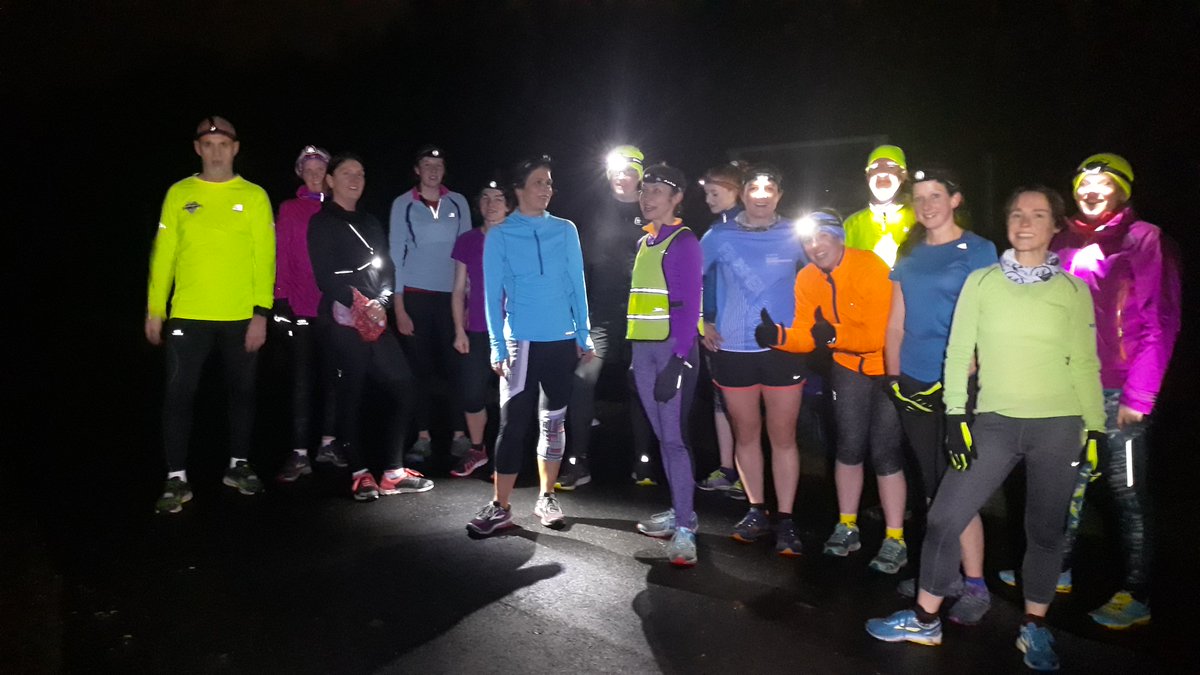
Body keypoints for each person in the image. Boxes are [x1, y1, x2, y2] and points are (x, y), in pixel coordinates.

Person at [867, 186, 1105, 673]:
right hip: (993, 421)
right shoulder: (983, 281)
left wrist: (1096, 428)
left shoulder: (1073, 290)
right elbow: (958, 353)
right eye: (1017, 213)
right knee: (944, 517)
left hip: (1058, 426)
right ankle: (925, 618)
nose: (1025, 222)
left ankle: (1035, 626)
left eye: (1038, 215)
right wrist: (956, 415)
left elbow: (1084, 362)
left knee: (1043, 531)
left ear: (1055, 226)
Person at [997, 154, 1180, 629]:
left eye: (1104, 182)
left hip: (1122, 391)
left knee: (1127, 491)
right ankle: (1055, 568)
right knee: (1068, 483)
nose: (1093, 190)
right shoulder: (1064, 240)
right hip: (1069, 386)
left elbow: (1160, 320)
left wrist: (1141, 396)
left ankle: (1137, 592)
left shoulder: (1145, 239)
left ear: (1123, 189)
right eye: (1085, 182)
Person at [755, 210, 908, 573]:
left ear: (839, 237)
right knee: (849, 448)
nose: (815, 246)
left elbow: (880, 332)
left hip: (886, 367)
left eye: (822, 237)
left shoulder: (870, 266)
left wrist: (835, 335)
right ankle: (847, 525)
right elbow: (809, 333)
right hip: (846, 368)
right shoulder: (807, 278)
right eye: (808, 240)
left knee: (885, 453)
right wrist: (779, 337)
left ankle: (895, 538)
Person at [885, 167, 997, 624]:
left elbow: (992, 316)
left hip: (956, 387)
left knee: (958, 489)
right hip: (912, 383)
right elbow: (896, 321)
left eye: (936, 195)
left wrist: (977, 365)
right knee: (932, 486)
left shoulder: (980, 249)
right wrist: (894, 381)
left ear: (955, 199)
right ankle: (941, 576)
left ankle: (975, 585)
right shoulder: (908, 250)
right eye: (920, 196)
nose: (927, 204)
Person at [147, 116, 274, 514]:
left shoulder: (254, 196)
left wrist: (261, 313)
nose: (216, 151)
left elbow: (263, 257)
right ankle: (175, 478)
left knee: (242, 392)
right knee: (179, 394)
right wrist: (155, 309)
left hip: (240, 316)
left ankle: (238, 465)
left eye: (224, 144)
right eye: (209, 144)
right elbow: (163, 254)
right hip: (188, 313)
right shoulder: (179, 193)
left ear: (235, 148)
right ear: (198, 148)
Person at [468, 157, 593, 535]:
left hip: (561, 340)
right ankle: (499, 505)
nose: (547, 189)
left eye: (550, 183)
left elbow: (577, 281)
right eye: (539, 182)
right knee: (513, 425)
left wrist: (582, 333)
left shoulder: (565, 229)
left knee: (554, 422)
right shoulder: (501, 235)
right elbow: (491, 297)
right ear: (518, 190)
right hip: (520, 341)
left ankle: (546, 495)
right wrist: (497, 346)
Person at [308, 153, 434, 501]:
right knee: (352, 393)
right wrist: (360, 303)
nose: (355, 178)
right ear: (330, 180)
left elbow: (388, 268)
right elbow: (325, 276)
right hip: (342, 318)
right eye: (347, 172)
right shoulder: (322, 222)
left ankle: (393, 471)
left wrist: (382, 302)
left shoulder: (370, 221)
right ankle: (360, 472)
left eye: (360, 173)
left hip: (377, 316)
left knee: (405, 386)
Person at [700, 166, 809, 556]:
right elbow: (687, 275)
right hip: (733, 349)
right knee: (746, 435)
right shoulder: (720, 234)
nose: (761, 194)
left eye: (770, 188)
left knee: (783, 437)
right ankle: (756, 509)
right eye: (753, 188)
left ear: (779, 195)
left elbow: (825, 272)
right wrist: (702, 321)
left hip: (783, 349)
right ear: (743, 194)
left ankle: (786, 519)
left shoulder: (796, 233)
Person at [557, 144, 658, 489]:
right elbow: (578, 264)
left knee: (638, 384)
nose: (622, 177)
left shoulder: (652, 211)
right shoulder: (595, 210)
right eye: (616, 170)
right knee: (582, 381)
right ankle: (577, 462)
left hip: (640, 315)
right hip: (599, 314)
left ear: (640, 176)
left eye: (630, 171)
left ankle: (643, 460)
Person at [626, 164, 704, 567]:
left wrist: (678, 361)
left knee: (674, 439)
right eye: (645, 190)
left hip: (672, 352)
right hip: (643, 351)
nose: (648, 196)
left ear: (676, 198)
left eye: (657, 190)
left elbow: (690, 304)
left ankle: (687, 528)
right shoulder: (645, 242)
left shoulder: (684, 241)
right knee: (663, 437)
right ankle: (679, 507)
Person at [389, 145, 473, 465]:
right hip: (416, 295)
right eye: (427, 164)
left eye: (438, 164)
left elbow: (465, 251)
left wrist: (466, 296)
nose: (433, 170)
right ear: (417, 169)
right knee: (420, 370)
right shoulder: (402, 204)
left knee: (456, 367)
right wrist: (398, 306)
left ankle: (459, 435)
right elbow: (396, 254)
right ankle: (422, 436)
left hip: (451, 296)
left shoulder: (458, 202)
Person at [274, 145, 340, 481]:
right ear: (301, 174)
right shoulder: (289, 208)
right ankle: (300, 452)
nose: (315, 175)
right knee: (302, 380)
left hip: (333, 305)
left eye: (320, 170)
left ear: (329, 176)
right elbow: (282, 254)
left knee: (332, 377)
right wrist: (280, 299)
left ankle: (328, 443)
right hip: (299, 305)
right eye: (309, 170)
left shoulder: (339, 208)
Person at [448, 180, 509, 478]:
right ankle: (477, 449)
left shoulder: (520, 237)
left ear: (509, 204)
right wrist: (459, 330)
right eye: (486, 197)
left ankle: (509, 456)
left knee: (512, 396)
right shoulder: (468, 240)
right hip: (476, 330)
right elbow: (458, 290)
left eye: (499, 198)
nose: (492, 203)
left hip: (512, 332)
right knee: (471, 395)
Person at [695, 162, 747, 500]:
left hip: (746, 332)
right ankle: (727, 469)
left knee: (743, 405)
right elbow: (698, 280)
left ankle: (746, 472)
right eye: (707, 193)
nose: (709, 199)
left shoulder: (753, 227)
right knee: (720, 400)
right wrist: (704, 322)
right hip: (716, 327)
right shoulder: (715, 229)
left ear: (736, 191)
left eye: (716, 193)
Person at [843, 145, 916, 268]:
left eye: (891, 166)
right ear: (868, 176)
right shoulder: (851, 225)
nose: (882, 173)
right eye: (875, 167)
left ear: (903, 175)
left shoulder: (920, 219)